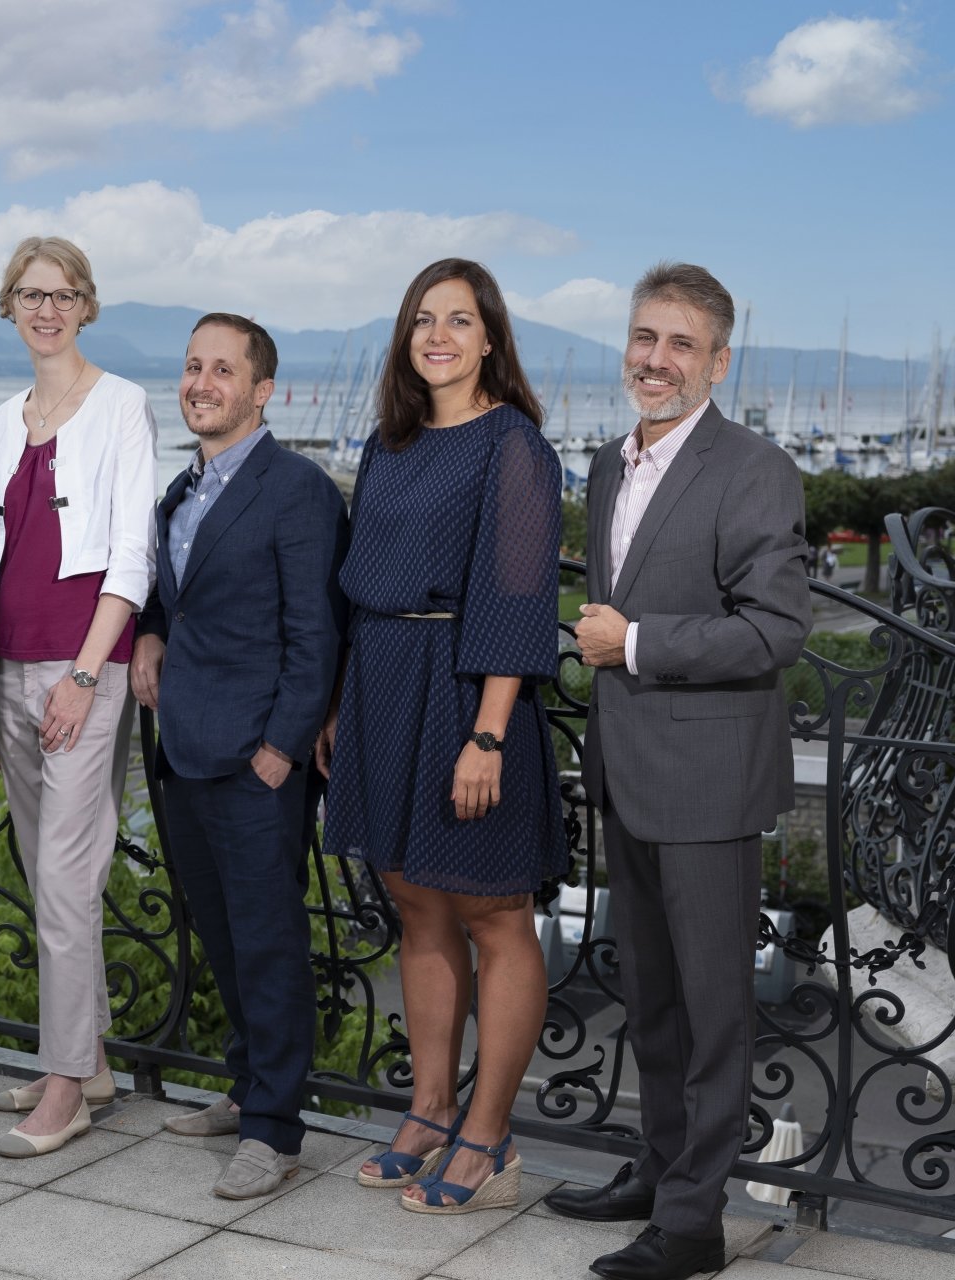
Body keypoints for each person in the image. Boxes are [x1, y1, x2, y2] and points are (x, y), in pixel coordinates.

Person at [551, 263, 808, 1280]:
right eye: (644, 337)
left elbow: (776, 630)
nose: (655, 359)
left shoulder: (755, 468)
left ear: (718, 361)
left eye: (680, 344)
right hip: (629, 770)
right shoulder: (610, 464)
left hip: (708, 783)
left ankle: (695, 1221)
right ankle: (658, 1171)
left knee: (711, 1009)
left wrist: (640, 641)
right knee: (652, 999)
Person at [318, 258, 566, 1215]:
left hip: (466, 694)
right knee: (415, 906)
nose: (439, 336)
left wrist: (490, 736)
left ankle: (490, 1135)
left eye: (459, 320)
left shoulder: (515, 447)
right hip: (382, 689)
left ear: (491, 339)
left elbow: (517, 598)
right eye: (424, 319)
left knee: (494, 915)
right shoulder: (390, 444)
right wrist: (342, 703)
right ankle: (427, 1111)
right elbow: (358, 586)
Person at [131, 313, 349, 1199]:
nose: (202, 383)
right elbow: (170, 597)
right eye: (192, 366)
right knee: (221, 935)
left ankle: (276, 1129)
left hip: (256, 761)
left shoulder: (296, 489)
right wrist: (147, 634)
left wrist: (279, 753)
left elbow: (315, 636)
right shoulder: (179, 491)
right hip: (184, 753)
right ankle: (248, 1083)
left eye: (223, 369)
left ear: (263, 391)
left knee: (267, 942)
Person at [0, 236, 158, 1156]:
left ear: (87, 305)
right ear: (9, 307)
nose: (46, 309)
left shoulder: (122, 405)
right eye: (29, 294)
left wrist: (87, 675)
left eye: (63, 294)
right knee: (49, 872)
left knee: (66, 883)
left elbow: (132, 555)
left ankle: (64, 1090)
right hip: (9, 666)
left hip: (84, 669)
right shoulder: (5, 417)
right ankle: (87, 1064)